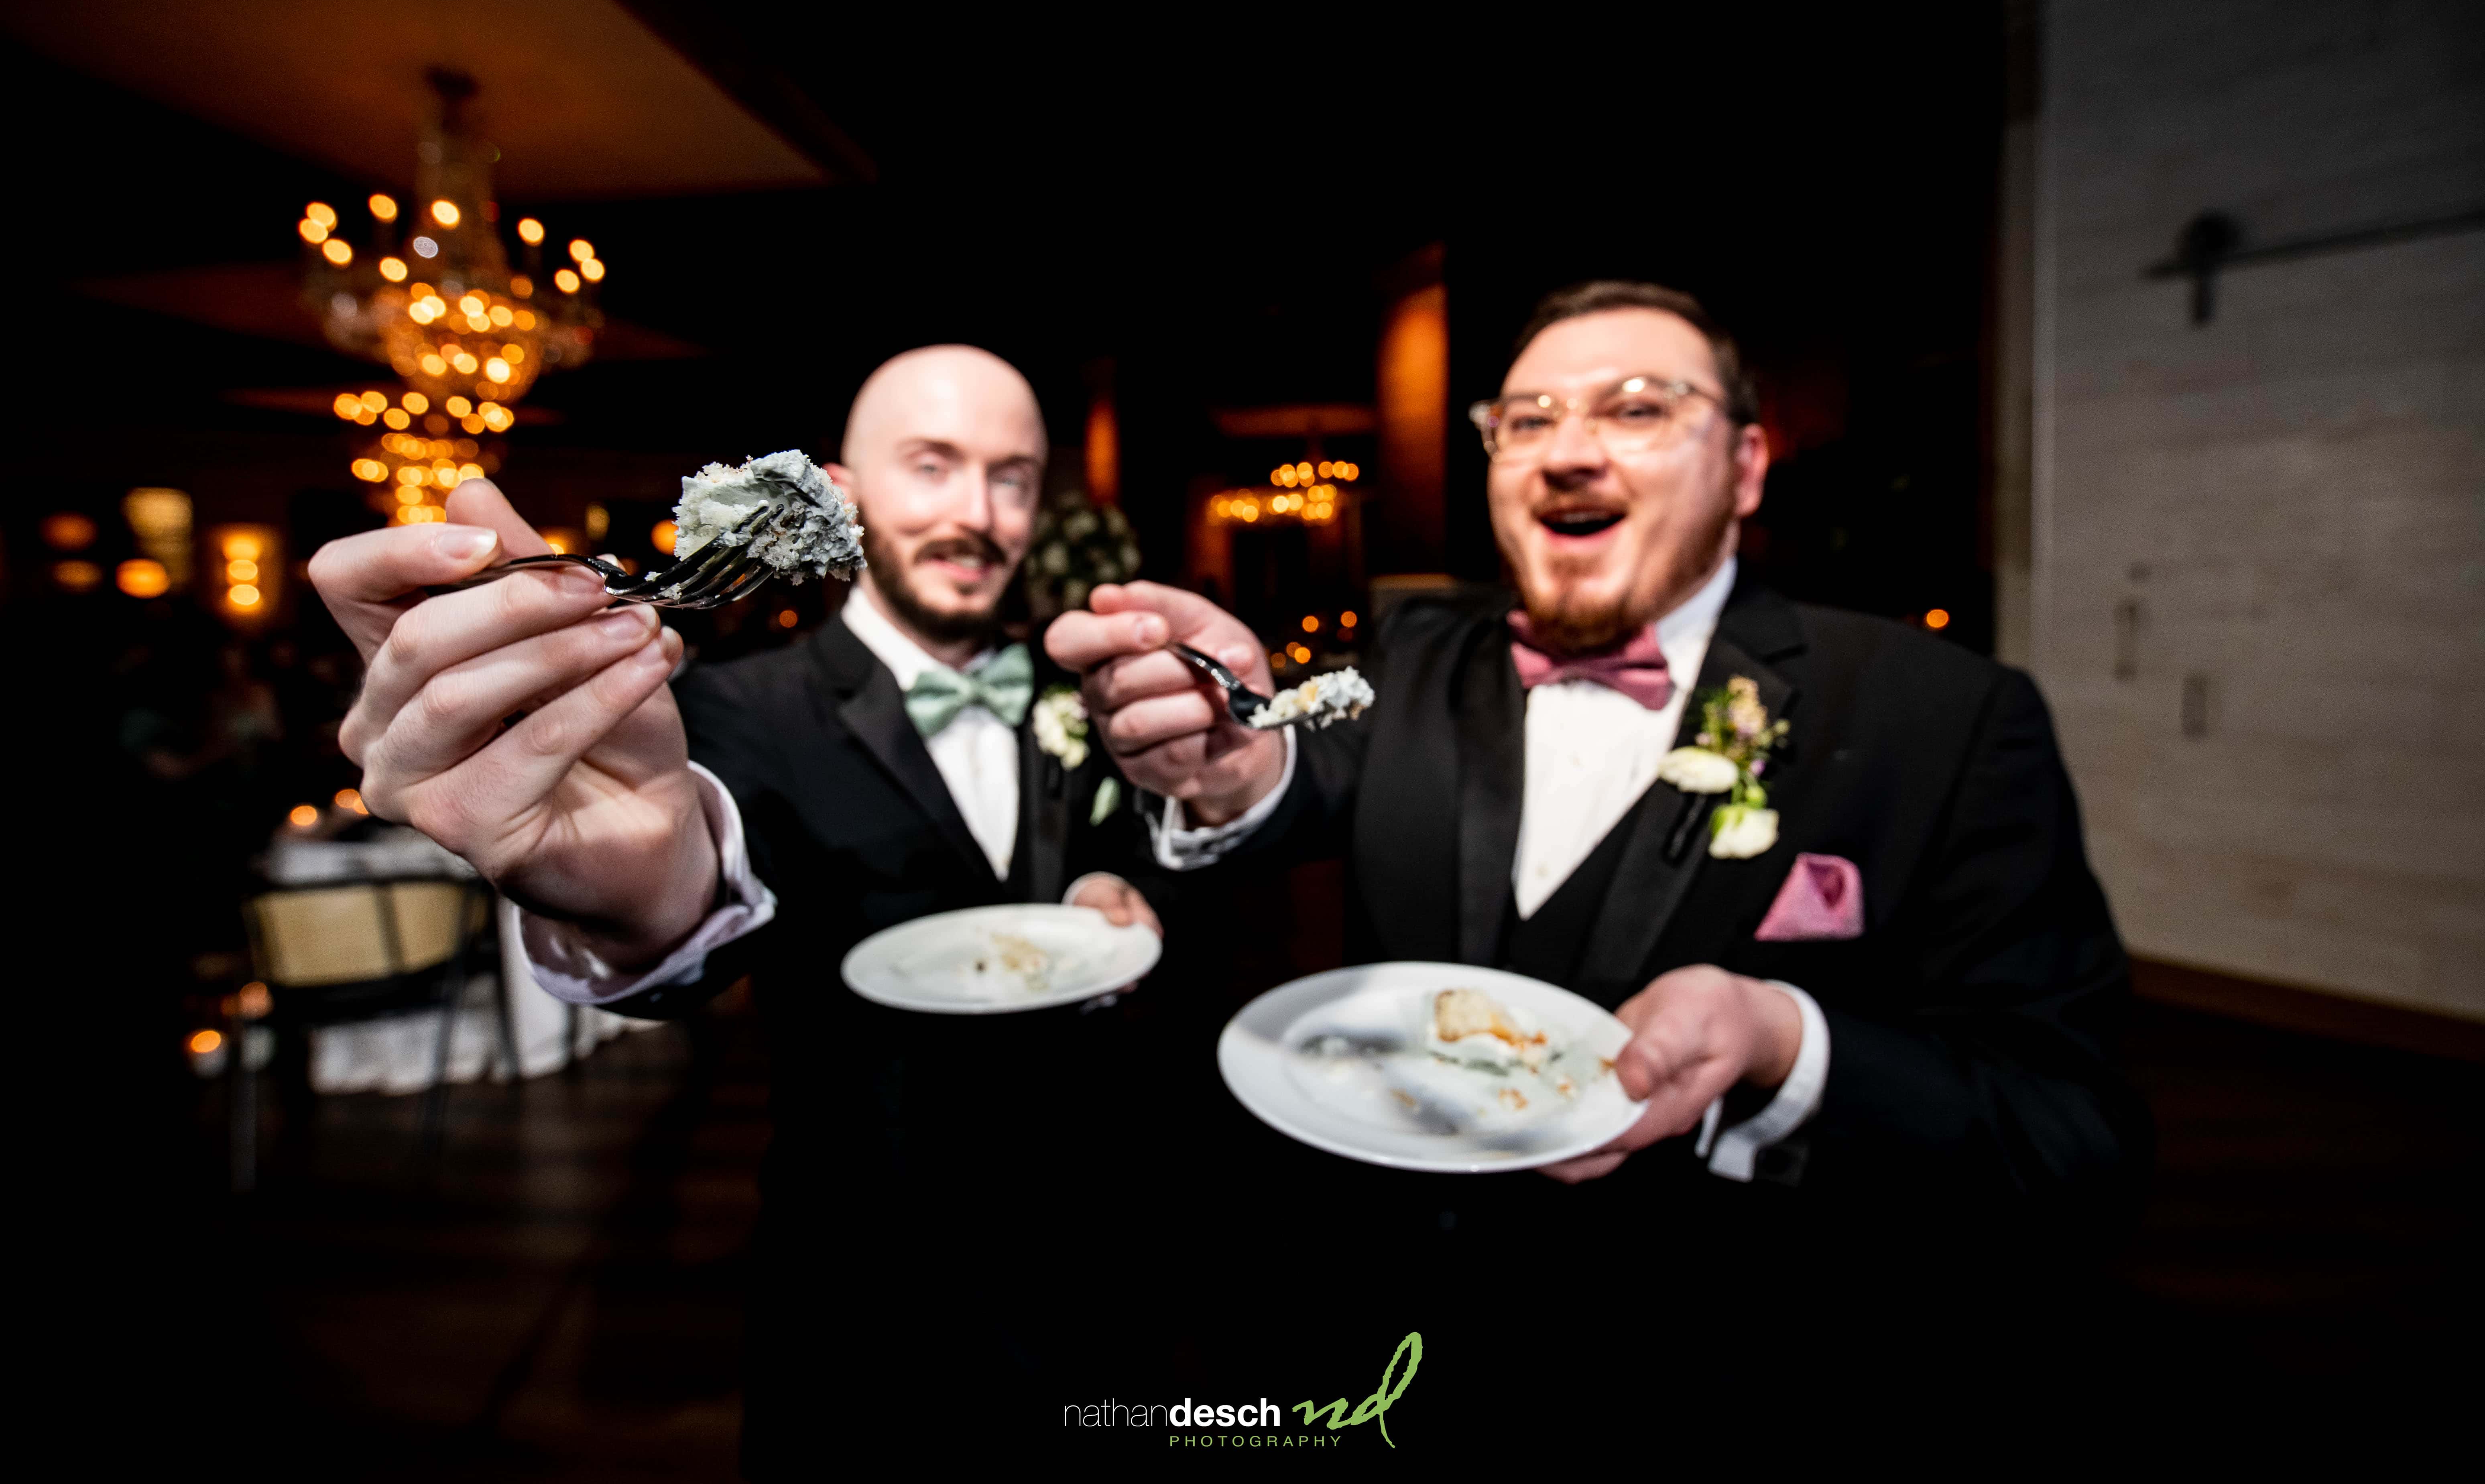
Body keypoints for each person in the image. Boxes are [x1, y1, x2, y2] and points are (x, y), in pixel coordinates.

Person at [1050, 282, 2149, 1409]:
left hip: (1719, 1362)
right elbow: (1289, 778)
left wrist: (1781, 1043)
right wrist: (1225, 767)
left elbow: (2067, 1134)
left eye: (1636, 409)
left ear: (1747, 466)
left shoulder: (1943, 716)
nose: (1567, 453)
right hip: (1388, 1347)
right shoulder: (1415, 655)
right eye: (1527, 420)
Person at [309, 344, 1164, 1468]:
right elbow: (695, 863)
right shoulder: (738, 707)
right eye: (932, 465)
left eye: (1012, 477)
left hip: (1092, 1240)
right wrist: (643, 898)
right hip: (866, 1267)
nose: (977, 512)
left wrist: (1113, 883)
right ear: (842, 493)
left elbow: (1114, 836)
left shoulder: (1071, 688)